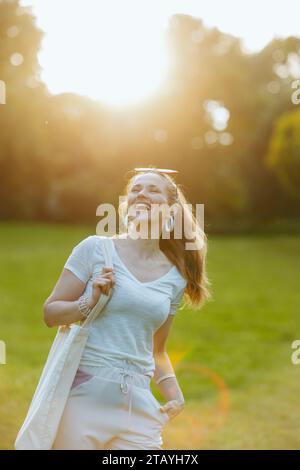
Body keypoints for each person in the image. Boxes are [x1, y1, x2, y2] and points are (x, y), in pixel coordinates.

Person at [44, 167, 210, 450]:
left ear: (171, 210)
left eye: (152, 190)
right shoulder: (95, 248)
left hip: (139, 402)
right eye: (136, 189)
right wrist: (89, 302)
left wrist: (174, 393)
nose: (141, 193)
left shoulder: (175, 276)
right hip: (85, 395)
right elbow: (51, 314)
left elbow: (156, 350)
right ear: (125, 206)